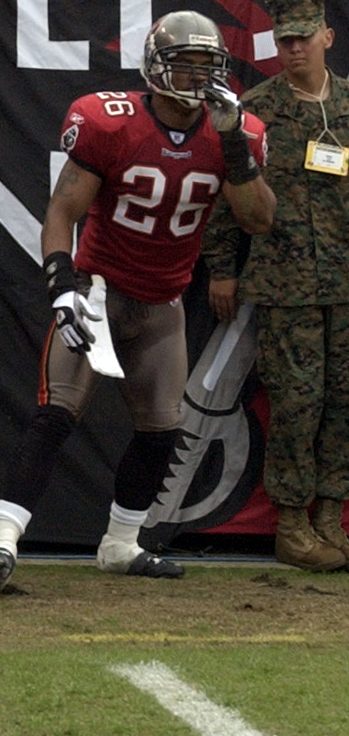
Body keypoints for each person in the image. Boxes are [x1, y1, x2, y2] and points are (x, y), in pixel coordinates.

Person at [0, 10, 276, 593]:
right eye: (184, 65)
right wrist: (62, 284)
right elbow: (63, 210)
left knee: (163, 429)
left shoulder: (237, 131)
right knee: (58, 413)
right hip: (99, 293)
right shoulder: (107, 121)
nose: (195, 79)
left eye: (206, 67)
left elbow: (259, 219)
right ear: (155, 67)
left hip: (164, 303)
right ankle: (2, 543)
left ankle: (120, 544)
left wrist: (234, 140)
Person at [201, 0, 349, 572]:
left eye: (303, 39)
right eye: (284, 40)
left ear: (327, 38)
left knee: (342, 405)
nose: (292, 49)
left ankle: (330, 519)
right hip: (287, 284)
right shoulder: (255, 113)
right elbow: (225, 195)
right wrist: (221, 267)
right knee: (296, 404)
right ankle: (291, 525)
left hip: (345, 283)